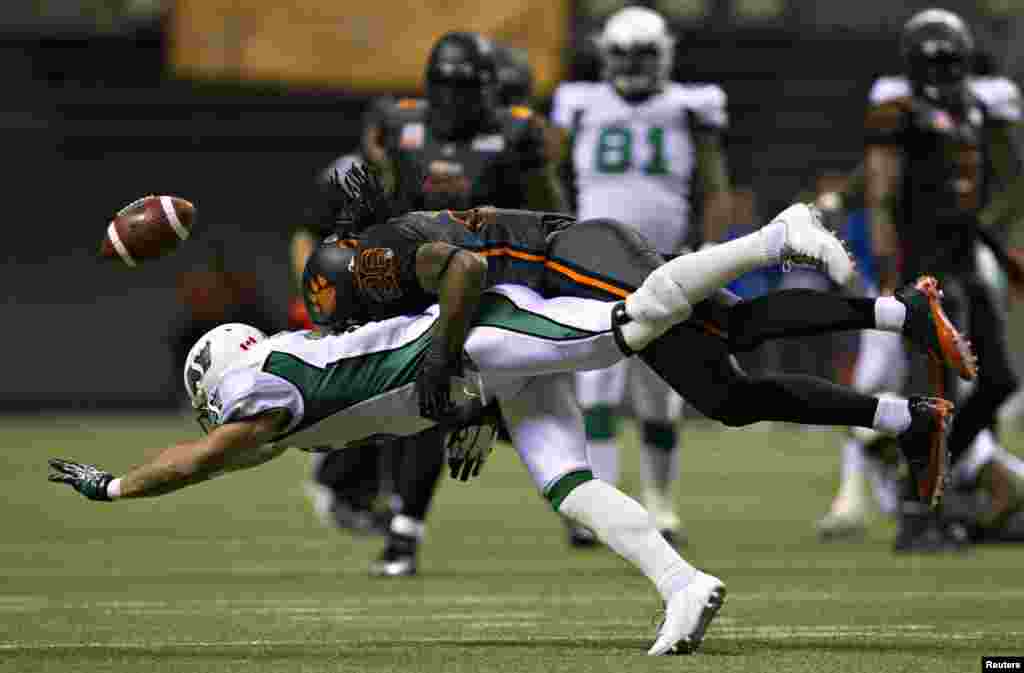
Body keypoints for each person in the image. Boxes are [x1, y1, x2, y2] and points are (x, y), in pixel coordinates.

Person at [50, 276, 953, 656]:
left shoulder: (262, 389)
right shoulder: (283, 369)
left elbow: (202, 459)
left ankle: (796, 261)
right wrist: (474, 406)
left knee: (639, 325)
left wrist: (117, 485)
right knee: (566, 480)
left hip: (488, 335)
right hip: (481, 373)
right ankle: (683, 582)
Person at [320, 31, 568, 577]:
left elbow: (553, 215)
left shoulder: (516, 132)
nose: (453, 97)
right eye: (444, 84)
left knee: (458, 391)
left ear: (486, 87)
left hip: (490, 284)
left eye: (464, 85)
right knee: (399, 397)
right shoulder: (399, 123)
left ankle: (405, 526)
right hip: (411, 282)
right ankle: (362, 493)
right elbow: (377, 195)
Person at [551, 6, 732, 547]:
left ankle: (661, 508)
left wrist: (709, 249)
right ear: (606, 54)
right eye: (624, 54)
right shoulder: (580, 105)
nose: (632, 65)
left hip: (664, 261)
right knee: (596, 389)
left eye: (643, 55)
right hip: (594, 263)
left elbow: (714, 184)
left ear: (665, 56)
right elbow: (551, 177)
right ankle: (603, 508)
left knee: (660, 392)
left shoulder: (688, 106)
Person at [864, 8, 1024, 551]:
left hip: (965, 256)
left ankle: (930, 474)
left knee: (1000, 378)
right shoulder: (897, 112)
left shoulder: (975, 109)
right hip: (923, 263)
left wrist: (1003, 255)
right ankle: (916, 515)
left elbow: (986, 196)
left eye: (950, 59)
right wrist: (892, 275)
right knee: (934, 390)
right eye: (932, 61)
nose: (941, 70)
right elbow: (882, 197)